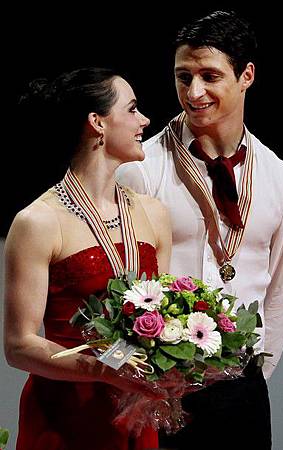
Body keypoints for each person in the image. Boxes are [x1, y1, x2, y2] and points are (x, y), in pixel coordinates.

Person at [116, 9, 283, 450]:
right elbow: (119, 288)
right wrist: (137, 377)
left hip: (240, 392)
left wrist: (251, 376)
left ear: (246, 76)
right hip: (156, 389)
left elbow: (280, 294)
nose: (194, 92)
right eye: (184, 77)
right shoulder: (141, 170)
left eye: (209, 76)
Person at [3, 67, 172, 450]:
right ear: (97, 122)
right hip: (64, 418)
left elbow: (165, 319)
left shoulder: (154, 213)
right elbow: (18, 345)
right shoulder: (38, 222)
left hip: (134, 413)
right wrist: (106, 369)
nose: (144, 120)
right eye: (132, 109)